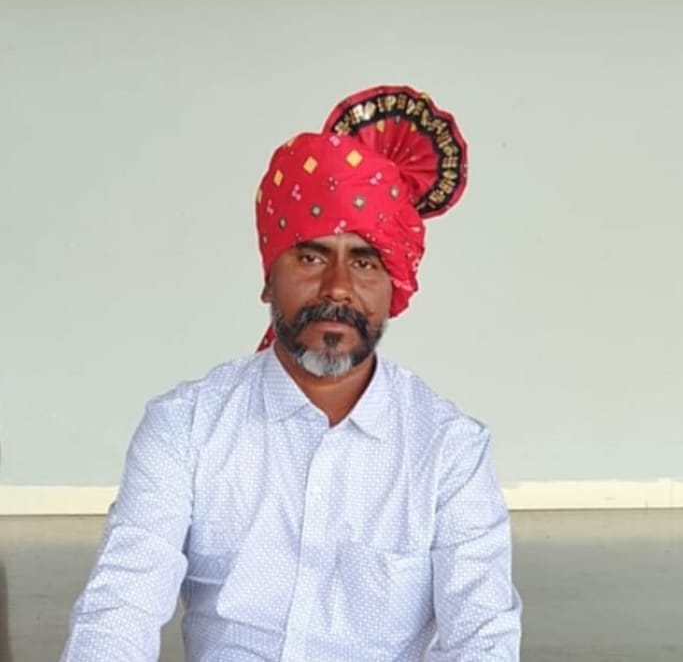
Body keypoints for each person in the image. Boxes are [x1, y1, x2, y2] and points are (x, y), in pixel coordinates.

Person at [60, 85, 521, 662]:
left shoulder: (449, 450)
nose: (337, 288)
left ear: (394, 289)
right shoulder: (186, 428)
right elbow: (120, 607)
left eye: (364, 261)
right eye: (309, 256)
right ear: (268, 279)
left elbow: (482, 637)